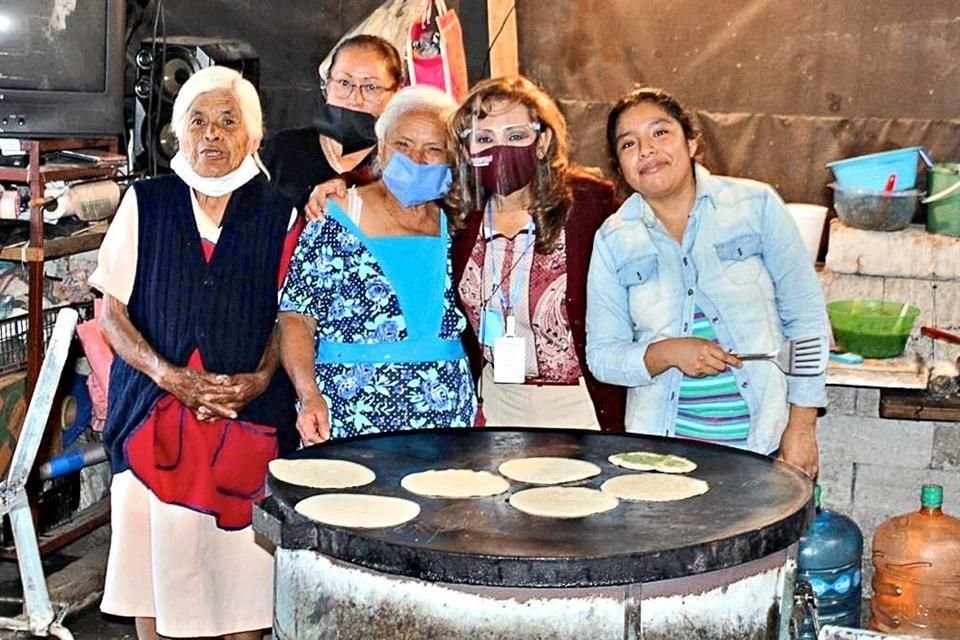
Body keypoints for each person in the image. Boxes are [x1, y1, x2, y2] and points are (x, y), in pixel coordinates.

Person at [91, 66, 299, 639]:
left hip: (246, 421)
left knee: (242, 584)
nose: (212, 134)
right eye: (198, 120)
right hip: (154, 418)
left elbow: (291, 316)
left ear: (253, 136)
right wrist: (168, 375)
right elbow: (111, 313)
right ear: (177, 133)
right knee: (154, 576)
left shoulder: (281, 212)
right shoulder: (145, 203)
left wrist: (260, 378)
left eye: (229, 122)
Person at [586, 87, 828, 478]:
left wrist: (802, 427)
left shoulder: (755, 206)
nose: (646, 150)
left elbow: (807, 320)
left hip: (760, 449)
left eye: (660, 132)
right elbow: (602, 356)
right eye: (629, 144)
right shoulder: (613, 239)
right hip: (660, 457)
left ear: (691, 142)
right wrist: (666, 353)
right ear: (620, 165)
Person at [279, 86, 475, 444]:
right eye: (403, 145)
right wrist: (308, 395)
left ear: (453, 158)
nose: (417, 159)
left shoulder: (459, 224)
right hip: (348, 413)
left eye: (433, 148)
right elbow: (296, 317)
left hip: (447, 416)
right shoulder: (335, 216)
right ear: (381, 147)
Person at [447, 76, 626, 431]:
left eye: (515, 136)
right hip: (496, 402)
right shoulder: (459, 216)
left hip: (580, 405)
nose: (500, 149)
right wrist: (342, 182)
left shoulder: (589, 205)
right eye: (484, 139)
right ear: (466, 150)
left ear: (542, 142)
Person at [260, 34, 403, 209]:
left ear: (396, 92)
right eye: (344, 83)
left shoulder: (402, 163)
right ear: (327, 84)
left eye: (371, 87)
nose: (355, 99)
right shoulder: (284, 149)